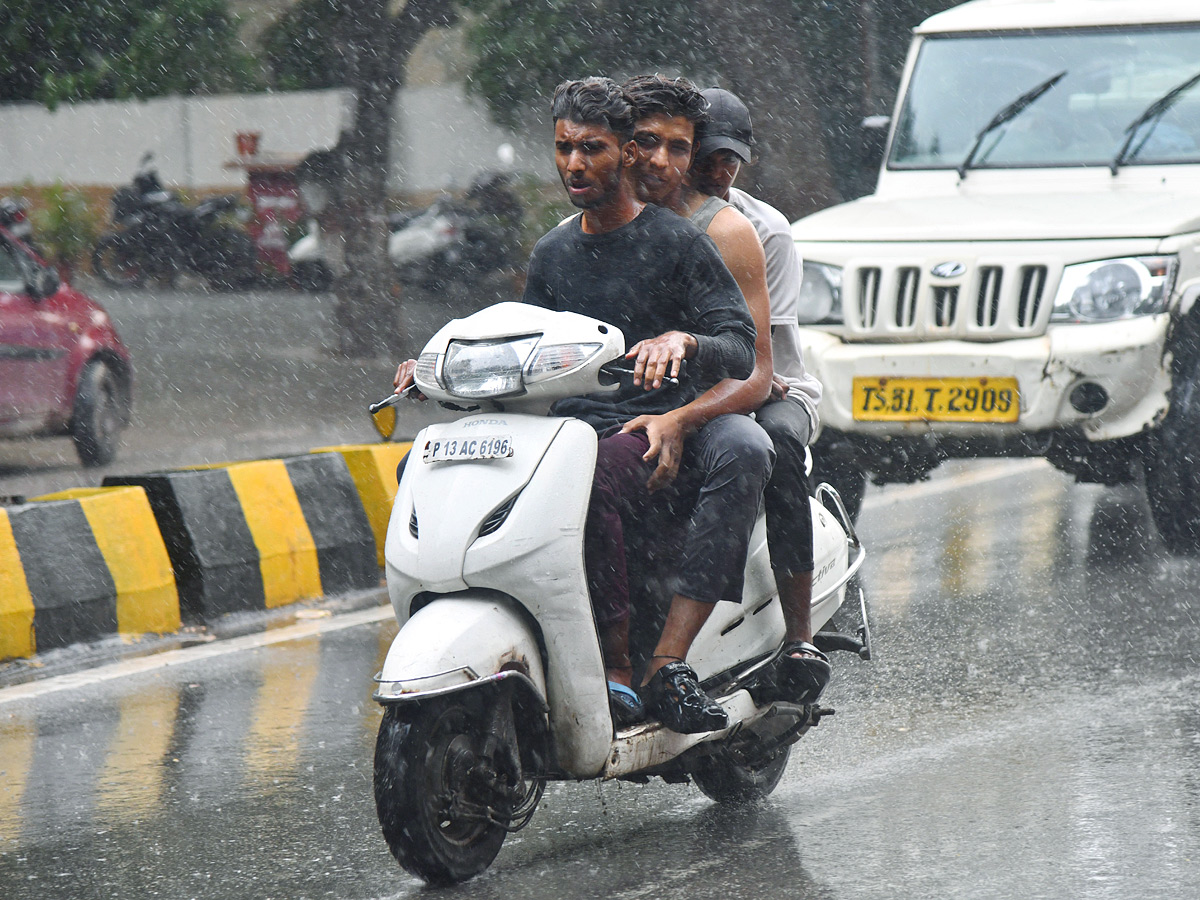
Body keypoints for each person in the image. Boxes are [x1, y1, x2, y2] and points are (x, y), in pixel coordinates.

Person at [394, 77, 772, 735]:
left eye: (592, 148)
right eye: (564, 148)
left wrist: (683, 340)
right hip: (567, 429)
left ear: (627, 154)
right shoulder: (553, 251)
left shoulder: (678, 241)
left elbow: (740, 345)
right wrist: (433, 365)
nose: (574, 164)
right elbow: (517, 343)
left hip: (648, 428)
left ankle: (632, 667)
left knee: (599, 476)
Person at [625, 77, 830, 702]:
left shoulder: (760, 232)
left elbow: (754, 357)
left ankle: (798, 636)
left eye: (725, 161)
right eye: (702, 157)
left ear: (743, 162)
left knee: (774, 448)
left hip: (770, 388)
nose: (714, 173)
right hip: (670, 384)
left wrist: (686, 411)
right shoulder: (624, 217)